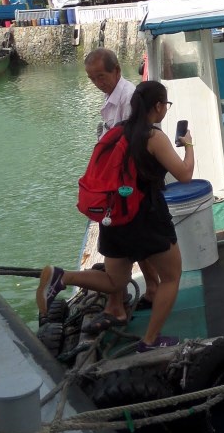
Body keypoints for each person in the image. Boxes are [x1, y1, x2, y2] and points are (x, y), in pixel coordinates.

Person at [37, 81, 193, 351]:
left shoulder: (117, 131)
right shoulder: (153, 137)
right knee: (171, 277)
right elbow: (185, 174)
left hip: (113, 217)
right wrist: (188, 146)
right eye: (165, 105)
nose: (165, 110)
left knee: (115, 281)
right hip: (147, 219)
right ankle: (150, 340)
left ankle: (63, 277)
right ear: (157, 106)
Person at [84, 46, 159, 314]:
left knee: (122, 241)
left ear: (116, 71)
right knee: (134, 240)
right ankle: (151, 286)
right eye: (92, 79)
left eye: (101, 77)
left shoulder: (128, 99)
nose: (97, 83)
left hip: (127, 184)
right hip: (119, 182)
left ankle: (119, 302)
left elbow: (130, 145)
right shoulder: (113, 97)